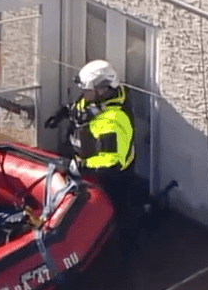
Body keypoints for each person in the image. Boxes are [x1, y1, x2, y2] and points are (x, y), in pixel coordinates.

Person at [44, 60, 140, 230]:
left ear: (101, 90)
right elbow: (80, 109)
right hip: (84, 158)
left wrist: (82, 165)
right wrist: (63, 113)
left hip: (112, 178)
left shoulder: (113, 119)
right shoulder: (95, 100)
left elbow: (112, 160)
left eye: (87, 89)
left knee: (118, 220)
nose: (83, 92)